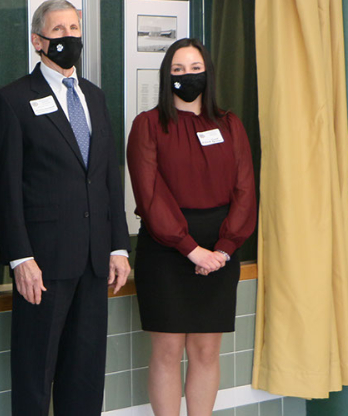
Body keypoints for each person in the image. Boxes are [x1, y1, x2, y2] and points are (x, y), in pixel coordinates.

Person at [0, 0, 131, 416]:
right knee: (35, 377)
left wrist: (118, 247)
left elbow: (107, 178)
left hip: (93, 263)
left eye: (74, 28)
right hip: (42, 266)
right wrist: (20, 258)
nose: (69, 37)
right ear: (38, 40)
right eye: (58, 30)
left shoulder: (94, 97)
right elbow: (5, 190)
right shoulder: (12, 100)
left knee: (85, 377)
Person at [127, 38, 256, 416]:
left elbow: (246, 189)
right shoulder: (147, 124)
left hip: (220, 247)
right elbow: (150, 195)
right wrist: (190, 249)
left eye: (195, 69)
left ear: (208, 73)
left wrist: (224, 249)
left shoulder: (230, 124)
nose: (187, 76)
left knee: (206, 350)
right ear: (167, 76)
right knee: (167, 351)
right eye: (178, 70)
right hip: (166, 249)